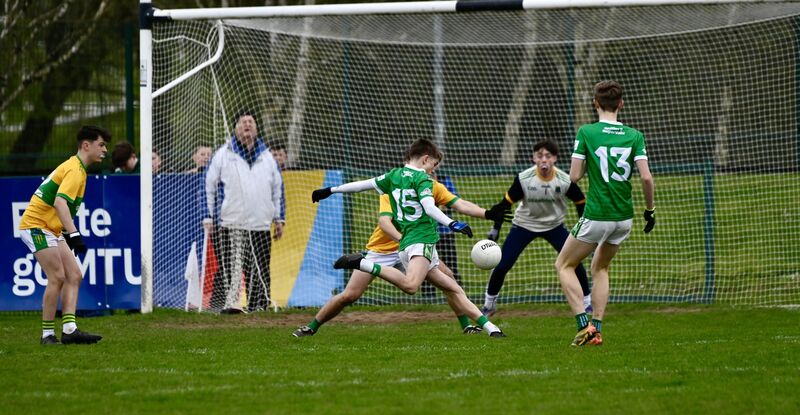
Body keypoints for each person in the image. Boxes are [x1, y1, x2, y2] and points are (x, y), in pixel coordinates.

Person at [310, 138, 508, 337]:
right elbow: (429, 208)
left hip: (410, 243)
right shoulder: (422, 180)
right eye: (434, 164)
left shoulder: (393, 176)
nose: (433, 170)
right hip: (418, 240)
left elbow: (362, 185)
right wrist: (452, 223)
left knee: (452, 286)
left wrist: (330, 190)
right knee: (411, 285)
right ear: (425, 159)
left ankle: (491, 329)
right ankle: (364, 264)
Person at [555, 80, 655, 346]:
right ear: (621, 104)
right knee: (601, 268)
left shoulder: (587, 132)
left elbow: (574, 176)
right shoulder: (635, 135)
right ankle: (596, 328)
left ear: (595, 103)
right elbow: (646, 178)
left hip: (597, 214)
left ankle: (583, 325)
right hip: (624, 217)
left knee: (564, 265)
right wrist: (650, 210)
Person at [18, 125, 111, 345]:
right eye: (101, 144)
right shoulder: (75, 170)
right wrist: (75, 234)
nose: (105, 149)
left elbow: (61, 206)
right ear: (86, 145)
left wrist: (67, 234)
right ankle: (47, 335)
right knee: (57, 276)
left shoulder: (78, 169)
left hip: (50, 228)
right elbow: (60, 203)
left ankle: (69, 330)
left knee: (74, 274)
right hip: (35, 226)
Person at [481, 139, 592, 317]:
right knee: (502, 264)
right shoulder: (524, 179)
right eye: (539, 156)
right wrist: (495, 229)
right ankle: (489, 305)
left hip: (554, 226)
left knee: (573, 262)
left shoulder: (564, 180)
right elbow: (504, 205)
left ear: (555, 159)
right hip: (524, 225)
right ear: (533, 158)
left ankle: (587, 303)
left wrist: (585, 231)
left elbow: (581, 203)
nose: (543, 160)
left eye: (548, 156)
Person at [204, 110, 284, 312]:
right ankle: (224, 305)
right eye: (243, 122)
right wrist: (208, 216)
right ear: (235, 128)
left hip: (261, 223)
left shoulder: (267, 156)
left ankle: (259, 305)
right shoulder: (223, 154)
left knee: (259, 267)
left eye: (251, 122)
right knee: (230, 265)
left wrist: (279, 219)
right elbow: (208, 185)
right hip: (230, 222)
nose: (247, 125)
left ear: (256, 128)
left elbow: (278, 188)